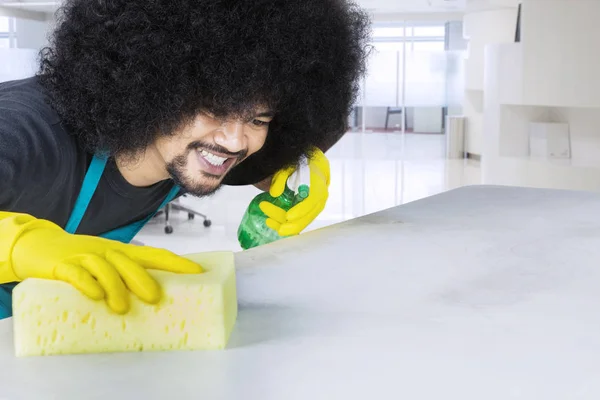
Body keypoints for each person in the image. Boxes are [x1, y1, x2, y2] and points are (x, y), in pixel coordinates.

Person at [0, 0, 370, 318]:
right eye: (212, 109)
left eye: (258, 119)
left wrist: (295, 165)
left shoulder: (188, 150)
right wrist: (19, 246)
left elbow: (260, 162)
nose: (234, 141)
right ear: (150, 86)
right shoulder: (28, 130)